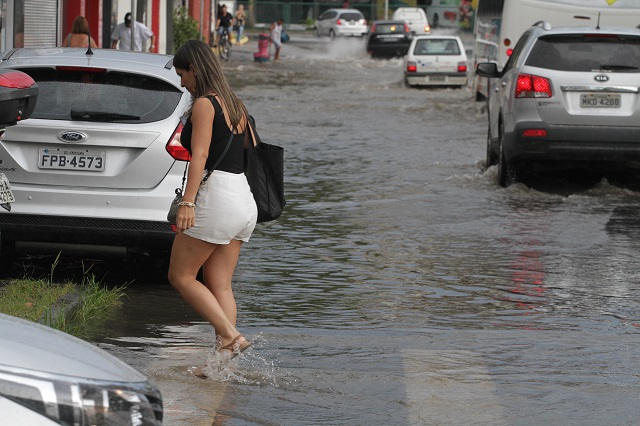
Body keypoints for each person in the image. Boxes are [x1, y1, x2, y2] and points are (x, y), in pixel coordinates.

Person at [169, 39, 257, 357]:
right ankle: (222, 365)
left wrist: (188, 202)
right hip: (243, 199)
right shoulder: (235, 103)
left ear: (194, 68)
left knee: (180, 275)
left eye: (182, 74)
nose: (182, 82)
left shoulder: (206, 104)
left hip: (217, 197)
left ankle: (231, 337)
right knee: (219, 284)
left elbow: (201, 155)